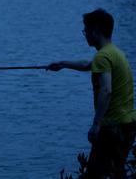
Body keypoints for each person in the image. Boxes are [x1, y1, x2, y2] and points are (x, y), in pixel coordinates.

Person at [48, 9, 136, 178]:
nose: (85, 34)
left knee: (95, 174)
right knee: (116, 173)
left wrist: (96, 124)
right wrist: (62, 64)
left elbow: (106, 90)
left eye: (86, 30)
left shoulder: (102, 57)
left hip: (112, 125)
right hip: (128, 123)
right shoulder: (115, 53)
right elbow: (88, 64)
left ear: (96, 30)